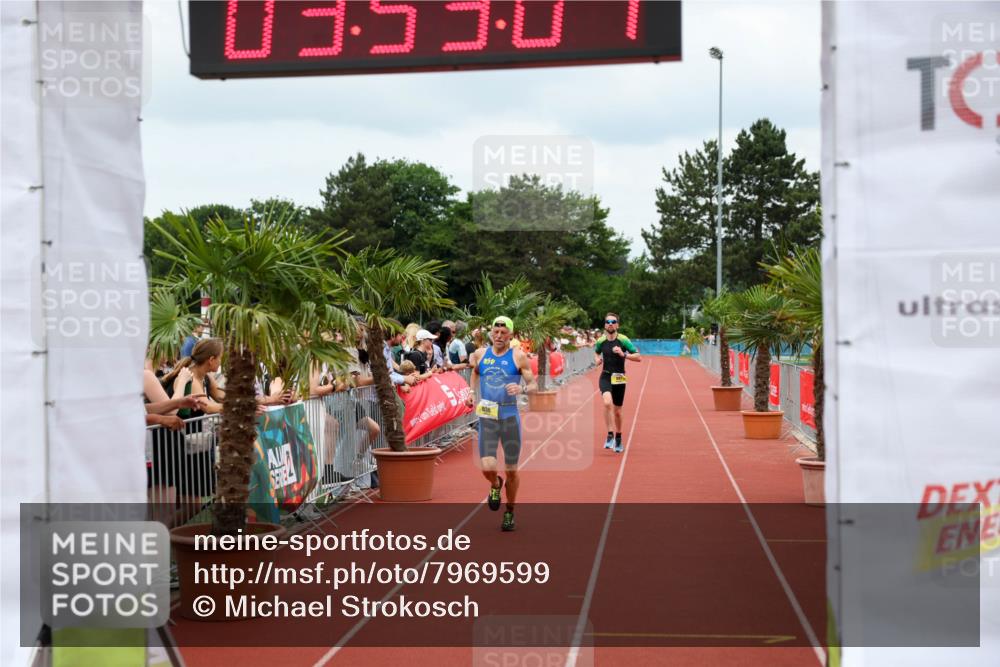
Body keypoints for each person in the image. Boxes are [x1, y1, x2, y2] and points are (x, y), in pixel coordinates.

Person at [466, 316, 537, 532]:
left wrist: (521, 389)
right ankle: (495, 484)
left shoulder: (518, 356)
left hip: (509, 417)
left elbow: (533, 384)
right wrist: (471, 392)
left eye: (503, 332)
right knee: (487, 467)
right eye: (495, 332)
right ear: (491, 333)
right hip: (488, 417)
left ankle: (510, 511)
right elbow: (475, 373)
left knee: (512, 471)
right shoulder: (481, 354)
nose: (498, 336)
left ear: (510, 335)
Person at [594, 312, 642, 453]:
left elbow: (638, 357)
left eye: (613, 322)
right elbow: (596, 352)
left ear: (617, 325)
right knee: (607, 402)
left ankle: (618, 437)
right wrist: (597, 359)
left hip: (619, 377)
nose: (610, 324)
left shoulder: (623, 340)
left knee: (617, 412)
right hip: (605, 376)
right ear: (605, 325)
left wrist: (623, 354)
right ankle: (610, 434)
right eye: (608, 322)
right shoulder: (600, 341)